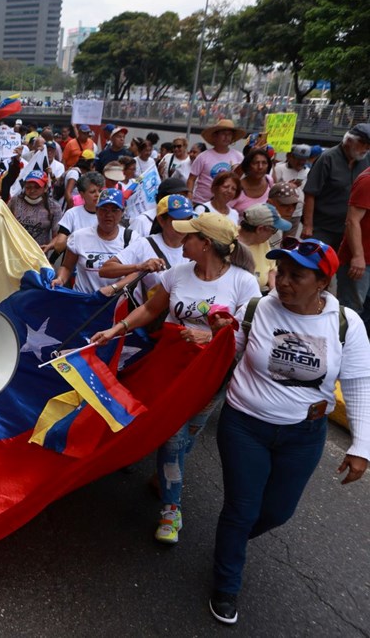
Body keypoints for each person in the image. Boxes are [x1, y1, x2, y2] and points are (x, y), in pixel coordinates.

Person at [208, 238, 369, 625]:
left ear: (322, 283)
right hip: (245, 425)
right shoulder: (257, 309)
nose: (283, 282)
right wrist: (216, 334)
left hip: (304, 436)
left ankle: (232, 541)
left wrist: (362, 445)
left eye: (297, 276)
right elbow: (229, 353)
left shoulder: (346, 324)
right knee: (241, 508)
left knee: (277, 512)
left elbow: (360, 383)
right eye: (281, 272)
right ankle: (226, 581)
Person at [91, 213, 260, 545]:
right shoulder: (176, 274)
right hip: (170, 370)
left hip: (212, 378)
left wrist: (211, 338)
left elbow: (240, 335)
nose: (182, 241)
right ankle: (171, 509)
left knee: (185, 440)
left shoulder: (244, 283)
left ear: (206, 244)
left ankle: (165, 477)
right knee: (172, 437)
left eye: (189, 237)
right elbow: (152, 310)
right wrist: (115, 330)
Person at [100, 194, 193, 307]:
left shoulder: (197, 247)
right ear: (161, 220)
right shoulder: (144, 245)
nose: (183, 225)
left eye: (187, 220)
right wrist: (139, 267)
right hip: (151, 319)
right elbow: (105, 269)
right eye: (177, 220)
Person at [52, 188, 137, 294]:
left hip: (114, 303)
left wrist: (113, 288)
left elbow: (135, 273)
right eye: (104, 209)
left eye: (114, 210)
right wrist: (60, 279)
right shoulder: (79, 236)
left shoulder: (132, 239)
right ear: (96, 210)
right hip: (83, 301)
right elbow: (67, 267)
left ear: (122, 212)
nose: (108, 214)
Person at [302, 123, 370, 250]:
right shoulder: (327, 158)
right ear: (349, 141)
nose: (366, 148)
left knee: (341, 267)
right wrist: (308, 225)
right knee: (315, 264)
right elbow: (310, 193)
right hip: (323, 227)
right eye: (363, 143)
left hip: (351, 228)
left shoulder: (366, 159)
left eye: (369, 145)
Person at [338, 166, 370, 328]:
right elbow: (352, 221)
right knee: (351, 313)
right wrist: (358, 256)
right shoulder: (367, 180)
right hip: (360, 262)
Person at [187, 120, 246, 204]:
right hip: (201, 203)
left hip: (226, 204)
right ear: (215, 135)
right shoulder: (203, 156)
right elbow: (191, 179)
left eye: (229, 134)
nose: (226, 137)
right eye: (223, 134)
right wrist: (189, 194)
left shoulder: (239, 156)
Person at [238, 203, 292, 294]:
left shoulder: (262, 241)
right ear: (260, 229)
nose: (272, 235)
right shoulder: (230, 243)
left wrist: (274, 290)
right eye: (273, 230)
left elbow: (271, 269)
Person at [47, 171, 104, 256]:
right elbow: (59, 246)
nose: (97, 195)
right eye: (92, 192)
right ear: (82, 194)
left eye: (100, 191)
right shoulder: (72, 214)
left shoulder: (108, 215)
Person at [7, 170, 63, 251]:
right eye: (28, 187)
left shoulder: (54, 207)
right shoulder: (15, 201)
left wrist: (50, 246)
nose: (32, 190)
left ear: (45, 188)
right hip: (15, 250)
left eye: (37, 187)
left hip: (38, 254)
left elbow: (57, 235)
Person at [228, 148, 273, 213]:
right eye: (255, 163)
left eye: (264, 163)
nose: (260, 167)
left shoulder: (269, 180)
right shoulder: (236, 188)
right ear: (247, 166)